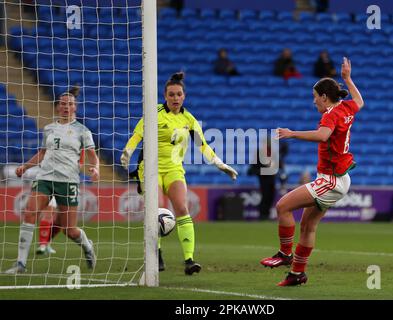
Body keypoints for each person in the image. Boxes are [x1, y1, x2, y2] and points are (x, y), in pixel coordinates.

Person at [260, 57, 364, 286]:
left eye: (315, 97)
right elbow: (360, 101)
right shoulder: (345, 107)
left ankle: (285, 254)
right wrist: (347, 78)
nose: (314, 101)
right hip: (337, 178)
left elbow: (322, 135)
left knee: (282, 206)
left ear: (324, 97)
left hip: (331, 179)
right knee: (307, 226)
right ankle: (297, 274)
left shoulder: (331, 114)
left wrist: (291, 133)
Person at [120, 72, 238, 275]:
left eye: (179, 94)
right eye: (171, 94)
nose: (175, 98)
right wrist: (127, 152)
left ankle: (189, 260)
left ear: (184, 96)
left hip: (174, 168)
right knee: (156, 210)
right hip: (150, 168)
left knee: (182, 208)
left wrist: (220, 163)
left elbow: (203, 146)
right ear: (165, 96)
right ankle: (156, 255)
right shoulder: (154, 113)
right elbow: (137, 135)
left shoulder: (188, 119)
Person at [4, 86, 100, 274]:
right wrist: (25, 166)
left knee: (69, 230)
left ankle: (87, 246)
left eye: (70, 104)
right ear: (57, 107)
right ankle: (20, 264)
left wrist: (95, 168)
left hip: (69, 181)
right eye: (63, 104)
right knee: (30, 212)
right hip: (45, 178)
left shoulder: (82, 131)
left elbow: (92, 156)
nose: (66, 107)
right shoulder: (49, 129)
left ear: (75, 107)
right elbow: (42, 153)